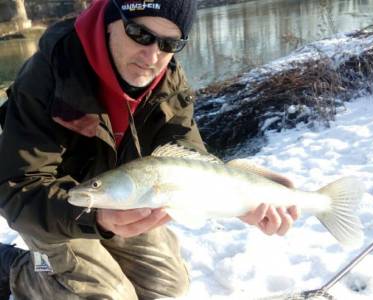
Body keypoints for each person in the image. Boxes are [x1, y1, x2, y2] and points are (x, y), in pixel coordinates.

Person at [0, 0, 300, 299]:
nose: (152, 56)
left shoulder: (167, 75)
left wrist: (240, 201)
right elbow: (17, 188)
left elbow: (185, 150)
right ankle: (20, 267)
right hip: (59, 204)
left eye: (170, 43)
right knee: (103, 295)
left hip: (124, 195)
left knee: (168, 287)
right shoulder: (46, 75)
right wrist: (97, 219)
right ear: (110, 21)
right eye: (140, 34)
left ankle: (93, 252)